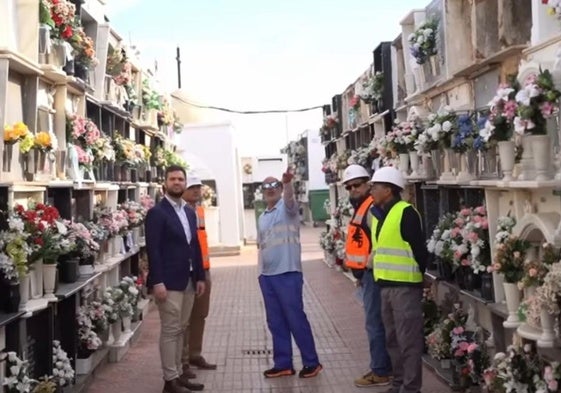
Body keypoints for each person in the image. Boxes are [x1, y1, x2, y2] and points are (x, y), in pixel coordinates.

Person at [145, 165, 207, 393]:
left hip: (189, 279)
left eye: (181, 179)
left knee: (181, 328)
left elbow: (194, 246)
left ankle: (180, 374)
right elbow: (154, 250)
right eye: (173, 179)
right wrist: (157, 281)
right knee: (171, 330)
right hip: (168, 282)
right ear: (165, 183)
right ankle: (170, 380)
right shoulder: (157, 214)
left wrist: (200, 276)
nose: (177, 182)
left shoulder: (189, 212)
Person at [257, 169, 323, 379]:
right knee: (275, 321)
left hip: (288, 273)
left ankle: (311, 362)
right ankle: (283, 363)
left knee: (295, 318)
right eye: (265, 187)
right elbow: (262, 245)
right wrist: (260, 274)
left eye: (274, 185)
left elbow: (290, 199)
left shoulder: (287, 210)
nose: (270, 190)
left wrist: (287, 184)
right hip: (268, 276)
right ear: (261, 192)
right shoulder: (262, 216)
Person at [369, 166, 428, 393]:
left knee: (408, 342)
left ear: (389, 189)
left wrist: (417, 277)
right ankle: (398, 384)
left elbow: (419, 251)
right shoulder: (378, 216)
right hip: (385, 286)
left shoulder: (406, 212)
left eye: (376, 186)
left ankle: (411, 388)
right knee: (392, 341)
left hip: (405, 288)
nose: (371, 190)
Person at [341, 164, 392, 388]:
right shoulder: (362, 206)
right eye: (349, 187)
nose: (353, 189)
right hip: (366, 275)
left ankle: (380, 371)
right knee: (377, 323)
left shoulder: (371, 209)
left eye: (357, 185)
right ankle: (384, 368)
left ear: (368, 184)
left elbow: (379, 242)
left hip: (374, 275)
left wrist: (367, 268)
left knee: (375, 324)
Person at [180, 172, 217, 384]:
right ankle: (183, 361)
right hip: (187, 272)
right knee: (184, 319)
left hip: (204, 270)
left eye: (198, 187)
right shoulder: (179, 212)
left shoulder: (199, 211)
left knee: (200, 314)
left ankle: (195, 354)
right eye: (192, 187)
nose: (196, 190)